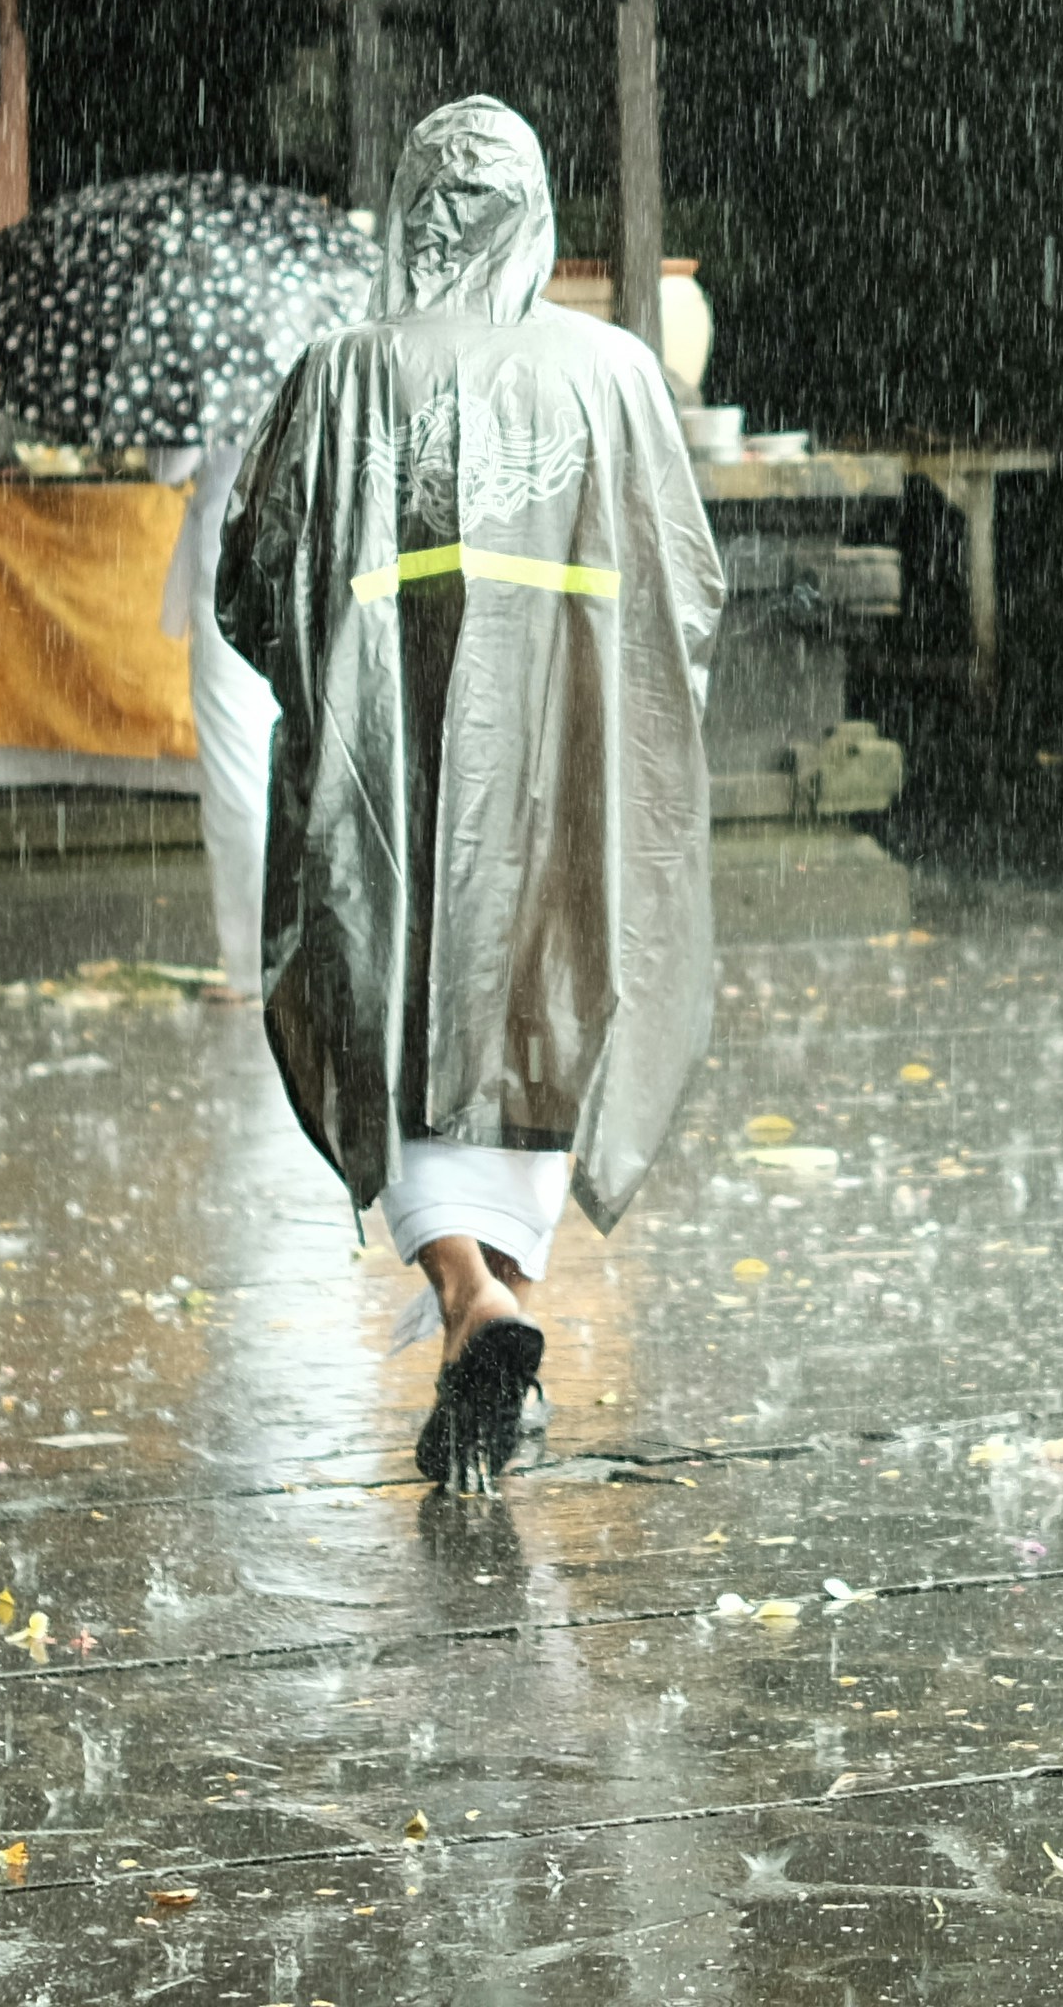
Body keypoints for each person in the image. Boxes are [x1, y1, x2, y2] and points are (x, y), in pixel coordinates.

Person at [222, 98, 723, 1492]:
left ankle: (470, 1300)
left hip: (385, 767)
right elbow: (687, 594)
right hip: (567, 769)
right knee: (537, 1017)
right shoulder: (616, 374)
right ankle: (484, 1319)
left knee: (382, 1002)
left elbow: (251, 584)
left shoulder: (342, 376)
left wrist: (351, 676)